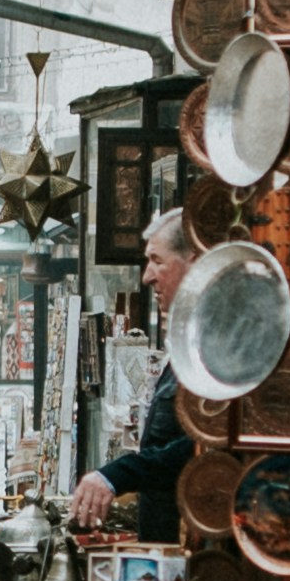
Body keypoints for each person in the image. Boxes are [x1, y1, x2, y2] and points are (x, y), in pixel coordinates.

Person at [70, 208, 200, 540]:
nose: (147, 276)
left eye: (157, 260)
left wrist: (118, 475)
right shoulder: (189, 341)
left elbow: (203, 447)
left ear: (195, 261)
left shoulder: (212, 346)